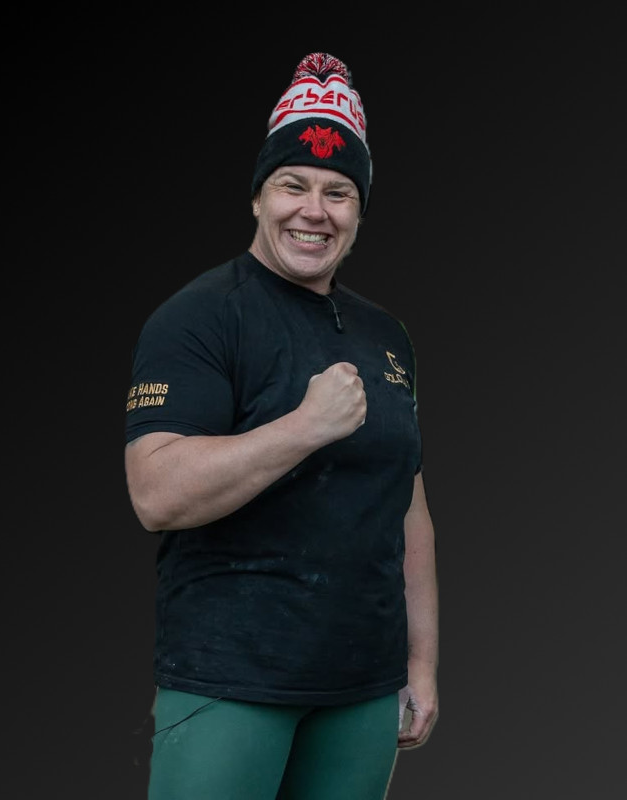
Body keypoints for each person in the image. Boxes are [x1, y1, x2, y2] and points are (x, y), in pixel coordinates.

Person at [124, 51, 439, 800]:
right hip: (231, 679)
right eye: (293, 185)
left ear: (359, 211)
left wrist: (420, 663)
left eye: (338, 192)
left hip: (362, 687)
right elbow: (155, 494)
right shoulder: (199, 318)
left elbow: (409, 506)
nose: (314, 210)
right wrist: (304, 427)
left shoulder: (387, 335)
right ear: (259, 197)